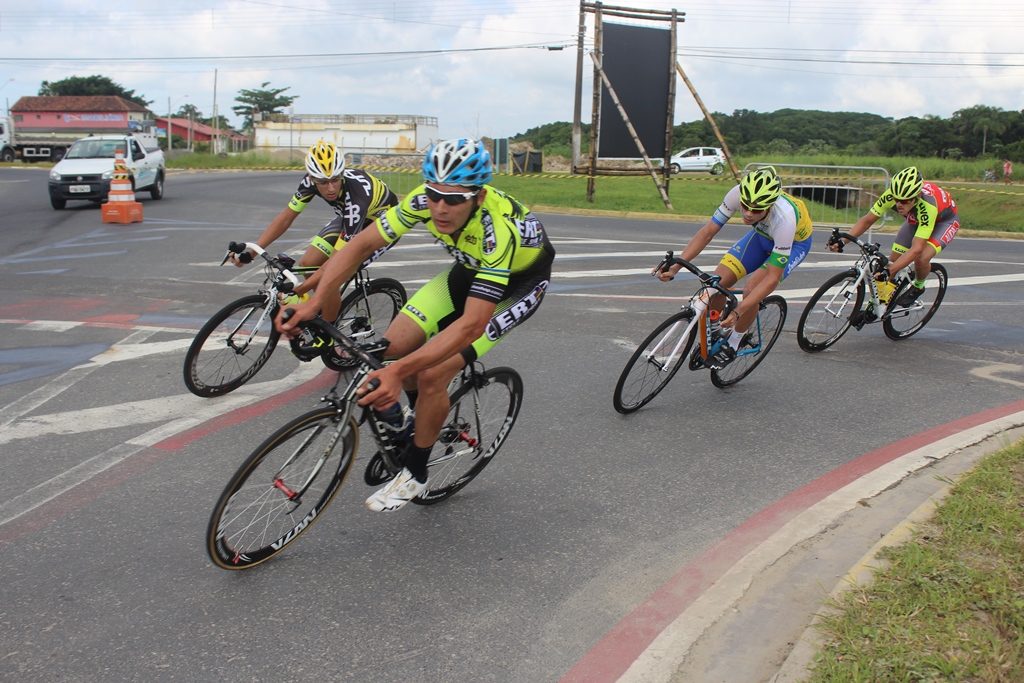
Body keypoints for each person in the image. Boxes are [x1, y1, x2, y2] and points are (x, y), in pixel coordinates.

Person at [278, 138, 555, 512]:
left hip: (518, 286)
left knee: (430, 375)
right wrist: (313, 303)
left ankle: (417, 473)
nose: (440, 207)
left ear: (477, 196)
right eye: (435, 194)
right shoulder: (424, 201)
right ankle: (416, 422)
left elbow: (471, 326)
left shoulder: (496, 230)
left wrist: (400, 373)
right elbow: (359, 246)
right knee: (385, 350)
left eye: (454, 199)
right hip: (467, 271)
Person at [654, 166, 813, 367]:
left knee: (752, 290)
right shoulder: (737, 193)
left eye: (756, 210)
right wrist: (676, 265)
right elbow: (707, 232)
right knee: (717, 283)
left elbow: (772, 278)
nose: (747, 213)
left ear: (770, 206)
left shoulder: (785, 218)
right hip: (762, 237)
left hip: (793, 244)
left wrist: (739, 312)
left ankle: (734, 343)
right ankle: (715, 331)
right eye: (745, 206)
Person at [232, 139, 398, 321]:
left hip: (382, 223)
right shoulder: (309, 182)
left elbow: (336, 263)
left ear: (342, 174)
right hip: (350, 217)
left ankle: (329, 338)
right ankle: (323, 310)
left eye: (335, 180)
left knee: (332, 278)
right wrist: (252, 252)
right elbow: (286, 217)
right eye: (323, 182)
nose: (331, 188)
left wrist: (299, 290)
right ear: (312, 178)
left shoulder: (356, 200)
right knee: (307, 264)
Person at [833, 166, 958, 307]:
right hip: (915, 219)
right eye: (897, 199)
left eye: (904, 201)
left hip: (944, 222)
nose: (899, 204)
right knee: (893, 260)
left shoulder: (927, 207)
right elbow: (867, 220)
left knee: (921, 257)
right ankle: (878, 304)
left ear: (916, 197)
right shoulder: (891, 195)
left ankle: (918, 286)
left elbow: (916, 249)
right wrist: (843, 241)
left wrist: (890, 270)